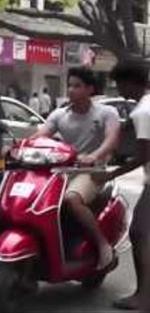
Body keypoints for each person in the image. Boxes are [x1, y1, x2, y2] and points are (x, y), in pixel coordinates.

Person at [33, 67, 120, 271]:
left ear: (90, 89)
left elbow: (112, 139)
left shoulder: (106, 112)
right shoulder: (60, 114)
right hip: (62, 171)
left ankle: (102, 246)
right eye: (69, 85)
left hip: (92, 171)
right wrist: (17, 147)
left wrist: (95, 156)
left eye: (77, 86)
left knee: (72, 199)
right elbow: (40, 136)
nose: (71, 90)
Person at [94, 59, 150, 311]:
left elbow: (144, 156)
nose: (119, 90)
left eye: (119, 84)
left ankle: (143, 296)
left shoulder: (143, 111)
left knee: (139, 232)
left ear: (129, 82)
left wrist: (111, 174)